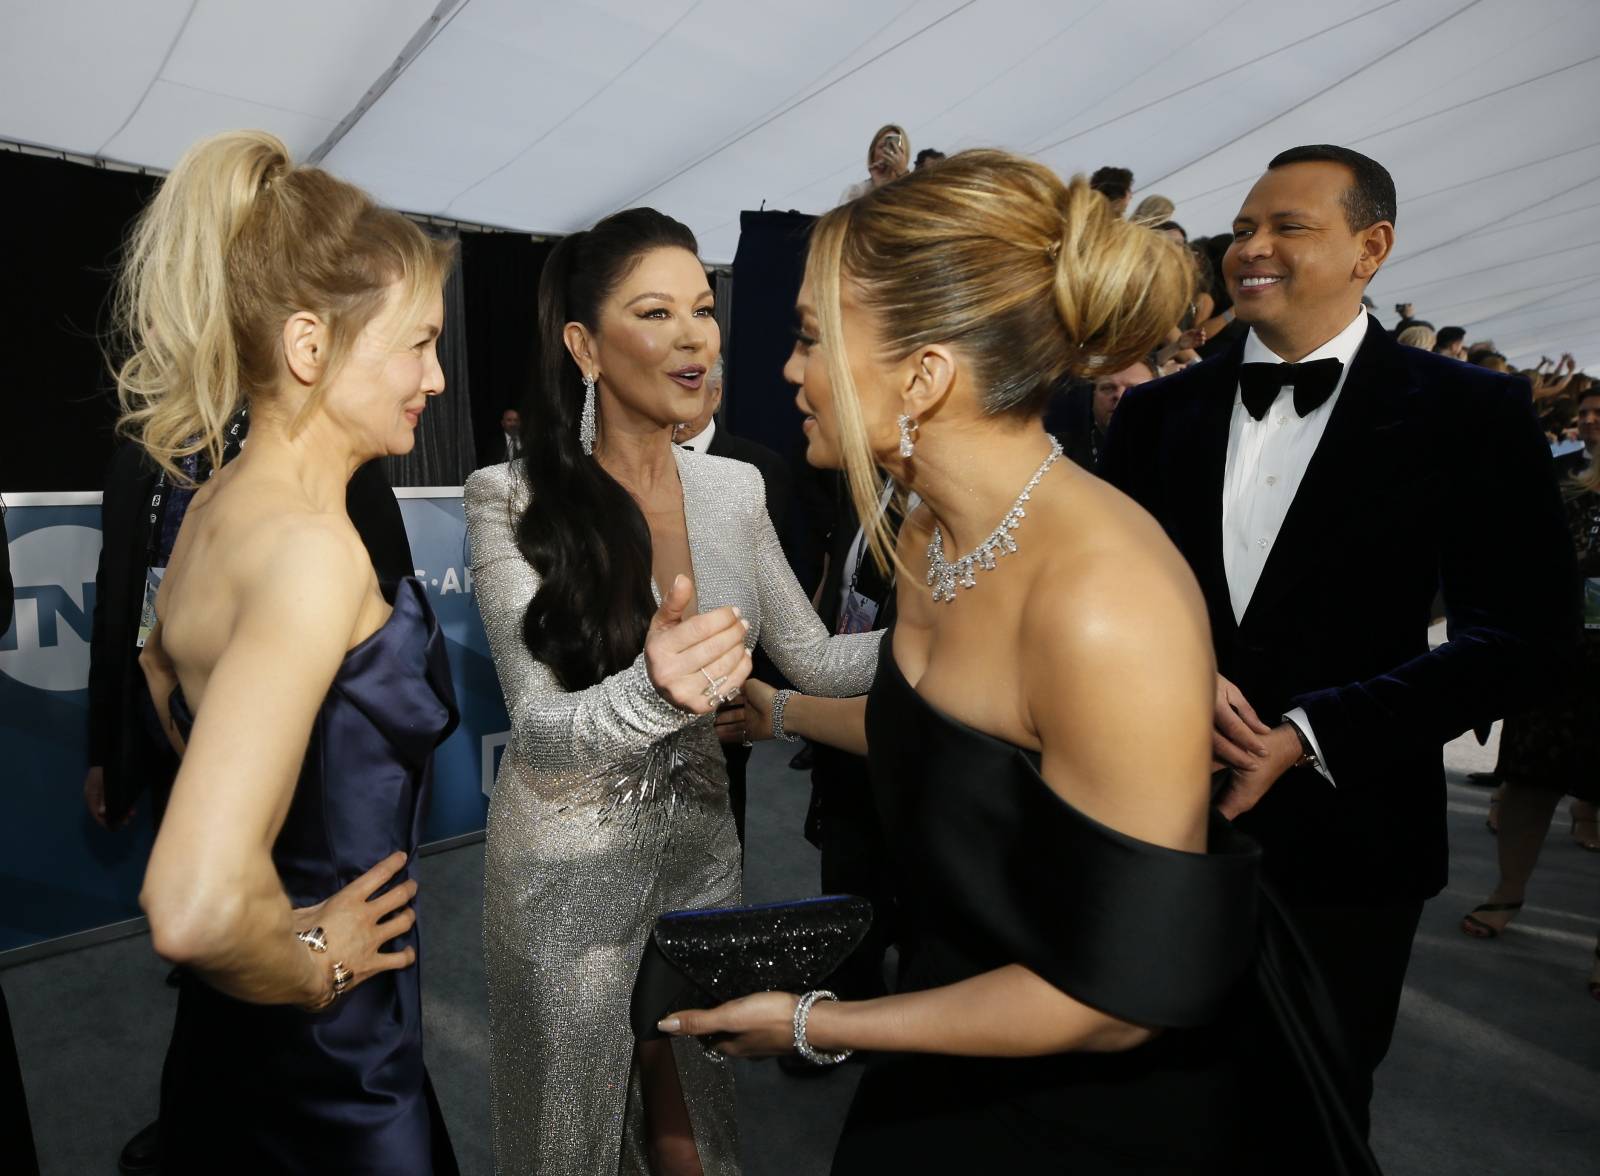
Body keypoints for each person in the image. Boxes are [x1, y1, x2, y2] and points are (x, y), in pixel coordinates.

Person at [660, 150, 1377, 1174]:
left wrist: (820, 1023)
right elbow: (962, 750)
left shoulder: (1100, 603)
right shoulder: (929, 529)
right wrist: (779, 714)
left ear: (924, 376)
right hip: (952, 1029)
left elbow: (1116, 1001)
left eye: (811, 339)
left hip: (1097, 1102)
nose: (788, 371)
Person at [1100, 143, 1576, 1142]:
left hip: (1348, 845)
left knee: (1303, 1121)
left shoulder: (1467, 412)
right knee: (1138, 1117)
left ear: (1372, 247)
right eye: (1239, 230)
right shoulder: (1152, 417)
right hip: (1152, 828)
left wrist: (1316, 735)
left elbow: (1526, 635)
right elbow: (1105, 605)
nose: (1251, 248)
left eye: (1286, 227)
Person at [463, 207, 880, 1175]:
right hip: (564, 876)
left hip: (700, 855)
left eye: (703, 308)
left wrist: (962, 633)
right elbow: (541, 728)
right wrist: (656, 688)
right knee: (566, 1144)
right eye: (656, 313)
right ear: (585, 346)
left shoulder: (733, 491)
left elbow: (817, 659)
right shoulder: (508, 498)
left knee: (695, 1120)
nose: (695, 336)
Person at [118, 130, 461, 1173]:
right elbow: (195, 906)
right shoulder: (310, 553)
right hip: (331, 1067)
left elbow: (159, 680)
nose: (437, 378)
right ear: (311, 348)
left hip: (230, 1041)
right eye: (415, 344)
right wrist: (314, 960)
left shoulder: (214, 507)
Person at [85, 431, 412, 1174]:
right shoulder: (144, 453)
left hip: (310, 782)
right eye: (416, 343)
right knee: (224, 934)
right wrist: (109, 746)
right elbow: (122, 609)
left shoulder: (330, 472)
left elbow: (388, 616)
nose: (430, 378)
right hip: (173, 736)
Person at [1459, 450, 1600, 997]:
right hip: (1558, 657)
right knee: (1528, 780)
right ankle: (1507, 891)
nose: (1590, 422)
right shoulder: (1570, 491)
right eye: (1586, 413)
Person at [673, 356, 795, 845]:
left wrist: (755, 697)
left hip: (729, 713)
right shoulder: (599, 478)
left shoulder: (752, 474)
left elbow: (784, 604)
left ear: (716, 393)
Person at [839, 125, 910, 204]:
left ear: (904, 154)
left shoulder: (915, 186)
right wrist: (878, 189)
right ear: (873, 153)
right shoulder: (856, 192)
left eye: (895, 147)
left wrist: (903, 174)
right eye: (882, 146)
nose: (887, 152)